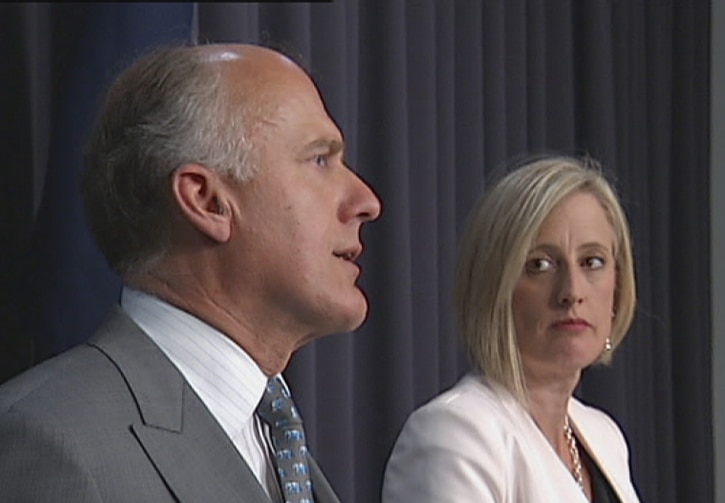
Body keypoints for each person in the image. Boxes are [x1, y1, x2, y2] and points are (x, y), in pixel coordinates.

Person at [0, 42, 381, 502]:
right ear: (207, 201)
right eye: (319, 160)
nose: (366, 202)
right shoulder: (52, 443)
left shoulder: (274, 437)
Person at [382, 155, 641, 502]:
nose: (572, 292)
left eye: (592, 262)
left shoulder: (604, 436)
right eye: (540, 265)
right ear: (494, 286)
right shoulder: (454, 434)